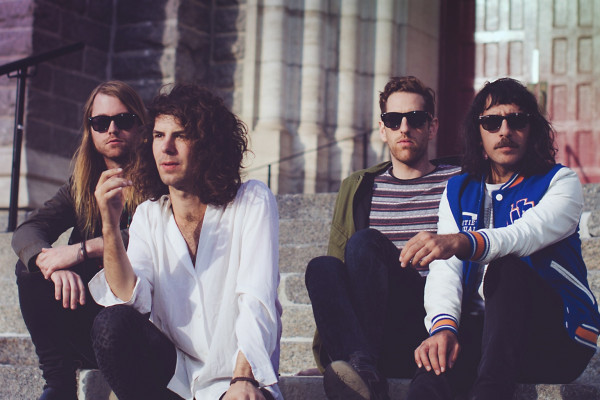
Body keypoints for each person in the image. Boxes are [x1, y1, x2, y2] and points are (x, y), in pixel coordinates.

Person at [401, 77, 600, 400]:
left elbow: (525, 234)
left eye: (517, 120)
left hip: (557, 338)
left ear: (532, 129)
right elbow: (445, 269)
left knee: (506, 266)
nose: (505, 131)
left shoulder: (560, 182)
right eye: (492, 122)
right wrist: (443, 327)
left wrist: (463, 241)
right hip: (486, 336)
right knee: (434, 366)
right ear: (478, 133)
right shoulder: (458, 189)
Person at [90, 83, 283, 400]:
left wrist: (243, 380)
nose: (166, 148)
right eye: (158, 135)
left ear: (208, 145)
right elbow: (130, 299)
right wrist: (110, 225)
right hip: (174, 381)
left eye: (180, 135)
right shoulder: (149, 215)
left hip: (235, 381)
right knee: (111, 324)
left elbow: (256, 299)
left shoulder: (251, 200)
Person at [304, 76, 461, 400]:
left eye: (415, 118)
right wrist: (327, 360)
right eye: (393, 120)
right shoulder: (360, 188)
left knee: (365, 243)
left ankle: (360, 367)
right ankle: (360, 368)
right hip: (374, 334)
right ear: (382, 128)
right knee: (321, 267)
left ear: (431, 127)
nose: (404, 128)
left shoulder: (459, 181)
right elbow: (339, 269)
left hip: (430, 324)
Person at [11, 81, 147, 400]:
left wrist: (81, 250)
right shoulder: (83, 183)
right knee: (30, 269)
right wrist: (50, 264)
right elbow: (29, 230)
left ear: (141, 125)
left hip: (138, 320)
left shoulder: (159, 179)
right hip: (88, 318)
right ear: (90, 130)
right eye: (100, 122)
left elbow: (156, 238)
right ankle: (59, 385)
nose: (112, 129)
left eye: (123, 120)